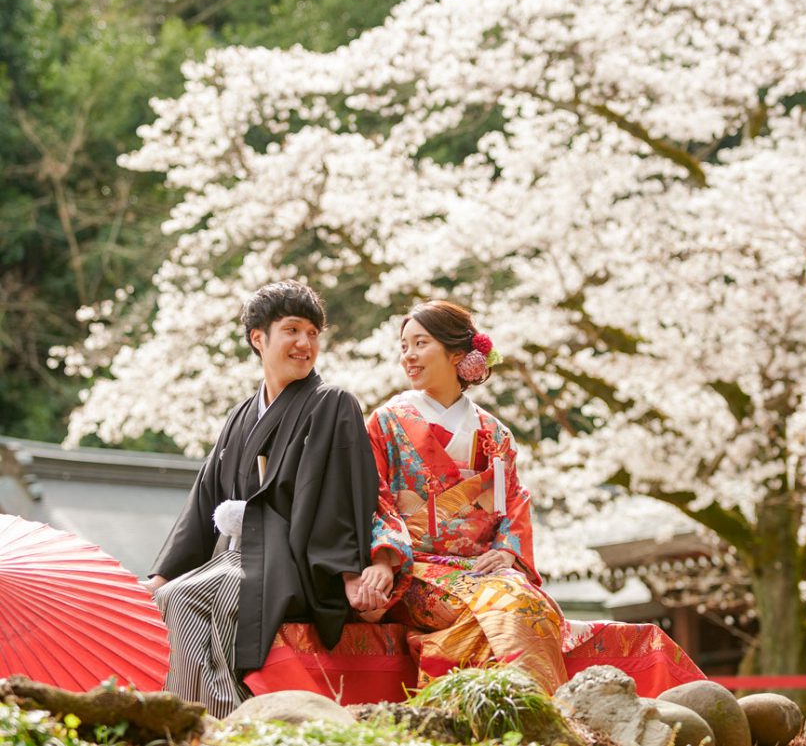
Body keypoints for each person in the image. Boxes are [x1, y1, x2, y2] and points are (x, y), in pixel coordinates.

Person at [143, 280, 384, 717]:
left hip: (294, 562)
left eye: (313, 333)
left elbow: (344, 496)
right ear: (259, 338)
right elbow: (204, 501)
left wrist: (348, 571)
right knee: (165, 598)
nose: (304, 343)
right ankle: (203, 711)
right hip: (238, 557)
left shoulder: (332, 403)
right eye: (292, 330)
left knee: (185, 599)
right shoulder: (239, 415)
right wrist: (161, 575)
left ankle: (217, 721)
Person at [361, 299, 568, 694]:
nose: (408, 356)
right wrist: (385, 559)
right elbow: (375, 497)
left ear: (457, 353)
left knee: (534, 604)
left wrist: (507, 551)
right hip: (415, 567)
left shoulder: (494, 432)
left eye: (420, 343)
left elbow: (513, 501)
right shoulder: (386, 421)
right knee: (513, 607)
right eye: (404, 346)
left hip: (481, 568)